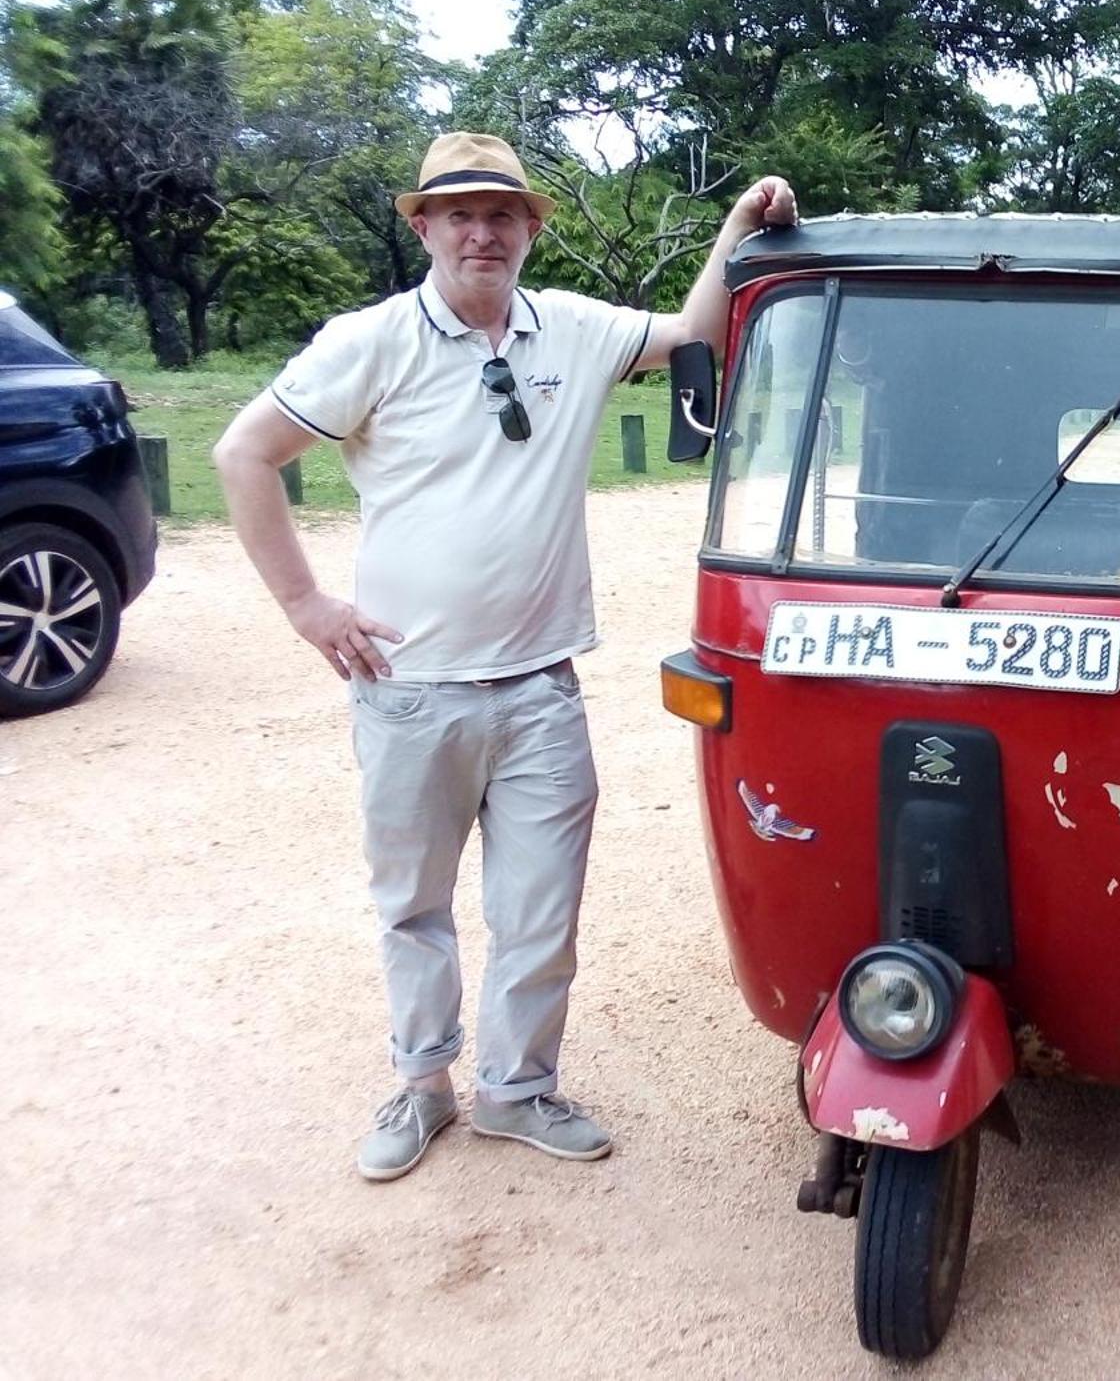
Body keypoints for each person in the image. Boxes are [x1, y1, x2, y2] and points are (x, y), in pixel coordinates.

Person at [213, 132, 797, 1181]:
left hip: (539, 687)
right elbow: (243, 452)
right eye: (458, 214)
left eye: (501, 215)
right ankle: (421, 1086)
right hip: (409, 690)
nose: (480, 233)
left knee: (539, 911)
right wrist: (305, 603)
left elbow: (695, 329)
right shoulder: (371, 340)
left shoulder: (569, 327)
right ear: (424, 227)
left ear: (530, 228)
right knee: (415, 906)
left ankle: (518, 1090)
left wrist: (735, 227)